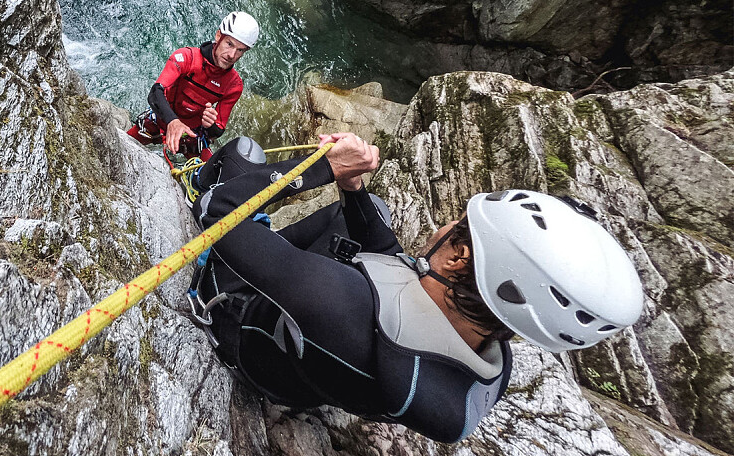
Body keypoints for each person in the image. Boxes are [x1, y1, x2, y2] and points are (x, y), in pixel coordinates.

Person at [186, 133, 644, 443]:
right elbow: (395, 264)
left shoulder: (339, 302)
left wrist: (323, 168)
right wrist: (352, 185)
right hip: (313, 365)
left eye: (460, 224)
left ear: (459, 258)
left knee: (244, 154)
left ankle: (195, 174)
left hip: (239, 323)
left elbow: (219, 211)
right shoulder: (487, 365)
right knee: (370, 210)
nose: (447, 223)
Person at [128, 11, 259, 160]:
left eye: (240, 50)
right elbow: (156, 92)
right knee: (119, 145)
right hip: (160, 120)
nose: (232, 55)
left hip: (191, 134)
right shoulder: (186, 58)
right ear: (218, 36)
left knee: (211, 176)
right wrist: (173, 122)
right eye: (229, 44)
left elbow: (219, 129)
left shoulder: (234, 85)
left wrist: (209, 124)